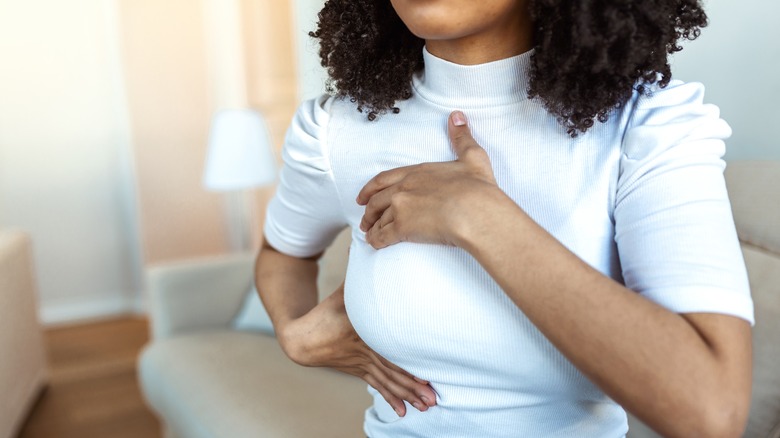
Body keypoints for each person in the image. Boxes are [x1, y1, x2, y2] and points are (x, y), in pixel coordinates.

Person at [255, 0, 754, 436]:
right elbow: (283, 253)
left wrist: (480, 217)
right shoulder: (336, 130)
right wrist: (293, 334)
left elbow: (710, 412)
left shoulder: (647, 126)